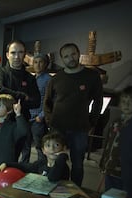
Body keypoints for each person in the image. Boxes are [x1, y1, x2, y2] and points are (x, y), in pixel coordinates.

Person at [44, 43, 103, 186]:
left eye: (73, 54)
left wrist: (92, 122)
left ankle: (75, 193)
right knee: (57, 161)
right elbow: (47, 101)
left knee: (77, 164)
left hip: (79, 128)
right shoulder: (56, 78)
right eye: (66, 56)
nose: (70, 58)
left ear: (78, 53)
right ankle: (57, 189)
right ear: (62, 59)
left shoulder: (92, 76)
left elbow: (98, 102)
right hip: (58, 127)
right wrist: (49, 120)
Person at [0, 39, 41, 162]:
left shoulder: (30, 78)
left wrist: (12, 100)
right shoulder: (1, 72)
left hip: (22, 122)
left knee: (20, 159)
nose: (16, 56)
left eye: (20, 52)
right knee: (0, 158)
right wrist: (22, 95)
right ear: (7, 55)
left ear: (24, 55)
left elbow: (36, 102)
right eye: (13, 53)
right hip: (3, 123)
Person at [99, 86, 132, 191]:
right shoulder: (116, 122)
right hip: (110, 168)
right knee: (108, 196)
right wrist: (103, 163)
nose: (127, 105)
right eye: (124, 101)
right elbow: (107, 144)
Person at [24, 53, 51, 162]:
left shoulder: (48, 79)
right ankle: (23, 166)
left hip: (38, 119)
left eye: (41, 62)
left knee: (40, 146)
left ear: (45, 64)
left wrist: (41, 116)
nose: (38, 65)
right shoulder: (31, 78)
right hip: (28, 116)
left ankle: (42, 168)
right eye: (35, 62)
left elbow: (49, 100)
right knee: (25, 145)